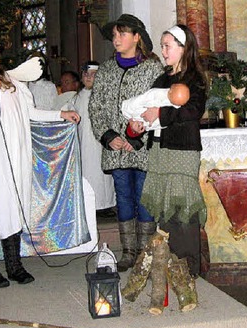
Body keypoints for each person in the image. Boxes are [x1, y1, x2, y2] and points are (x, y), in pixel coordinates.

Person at [0, 40, 80, 289]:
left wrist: (60, 114)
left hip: (13, 158)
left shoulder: (15, 85)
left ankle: (14, 265)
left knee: (11, 207)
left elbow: (31, 113)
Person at [129, 25, 207, 277]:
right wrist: (139, 122)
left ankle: (188, 270)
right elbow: (148, 108)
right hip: (160, 149)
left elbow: (193, 111)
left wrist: (160, 114)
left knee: (182, 208)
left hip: (182, 150)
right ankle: (170, 266)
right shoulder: (162, 79)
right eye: (162, 45)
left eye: (167, 46)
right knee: (165, 209)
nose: (162, 51)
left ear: (184, 49)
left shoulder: (194, 78)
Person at [89, 14, 164, 271]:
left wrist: (138, 137)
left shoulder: (153, 68)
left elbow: (159, 107)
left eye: (122, 34)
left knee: (145, 198)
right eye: (114, 35)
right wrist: (108, 136)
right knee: (123, 197)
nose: (116, 39)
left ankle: (146, 253)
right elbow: (95, 106)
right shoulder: (107, 69)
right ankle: (129, 252)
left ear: (136, 37)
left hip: (143, 147)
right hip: (116, 149)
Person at [72, 61, 117, 218]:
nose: (89, 77)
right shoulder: (77, 98)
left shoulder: (105, 96)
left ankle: (106, 204)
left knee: (103, 175)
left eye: (93, 74)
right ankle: (91, 204)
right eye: (86, 74)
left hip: (102, 143)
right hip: (84, 144)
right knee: (88, 174)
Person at [122, 83, 190, 130]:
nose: (175, 104)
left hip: (145, 123)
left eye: (177, 103)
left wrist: (146, 126)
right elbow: (141, 100)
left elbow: (161, 123)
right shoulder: (157, 93)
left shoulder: (176, 104)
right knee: (131, 106)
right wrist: (130, 119)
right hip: (135, 110)